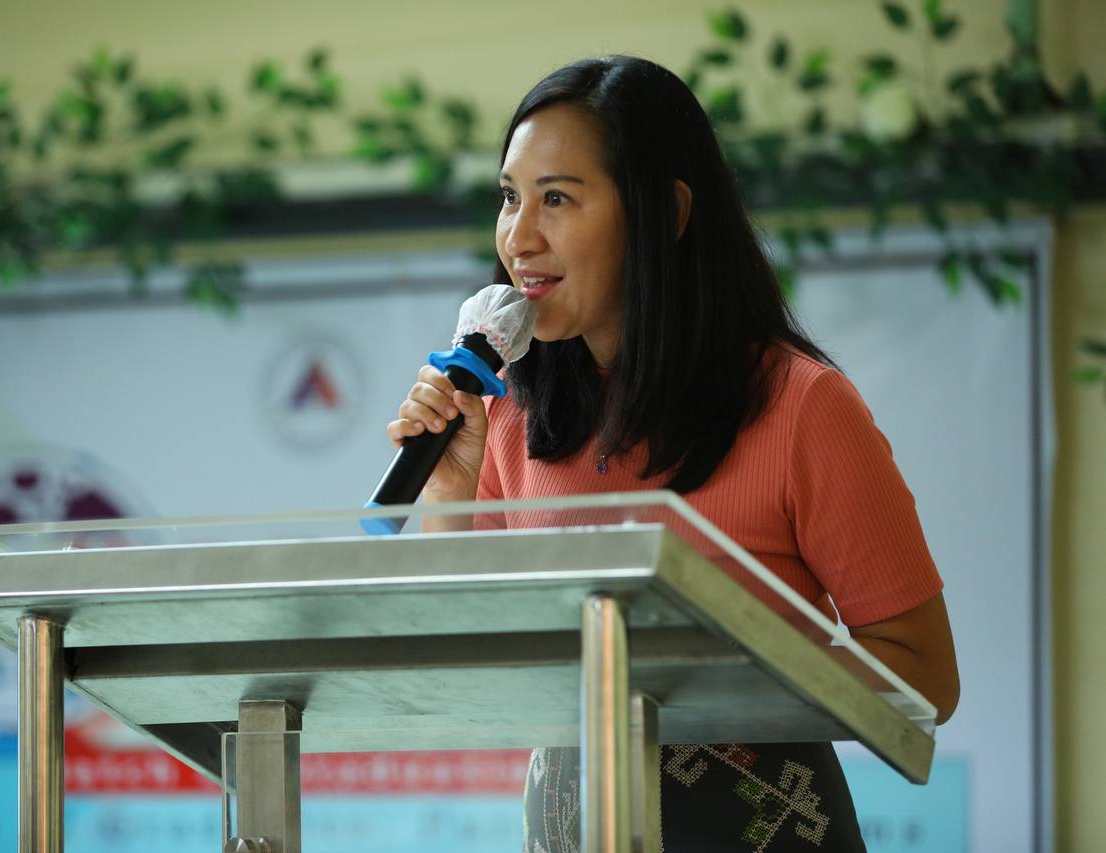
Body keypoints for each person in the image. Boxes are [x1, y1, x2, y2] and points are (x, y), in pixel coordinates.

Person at [386, 55, 959, 852]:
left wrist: (711, 673)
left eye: (557, 198)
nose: (519, 237)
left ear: (667, 210)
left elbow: (924, 674)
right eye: (510, 197)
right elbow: (469, 656)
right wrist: (449, 489)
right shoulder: (505, 408)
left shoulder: (803, 404)